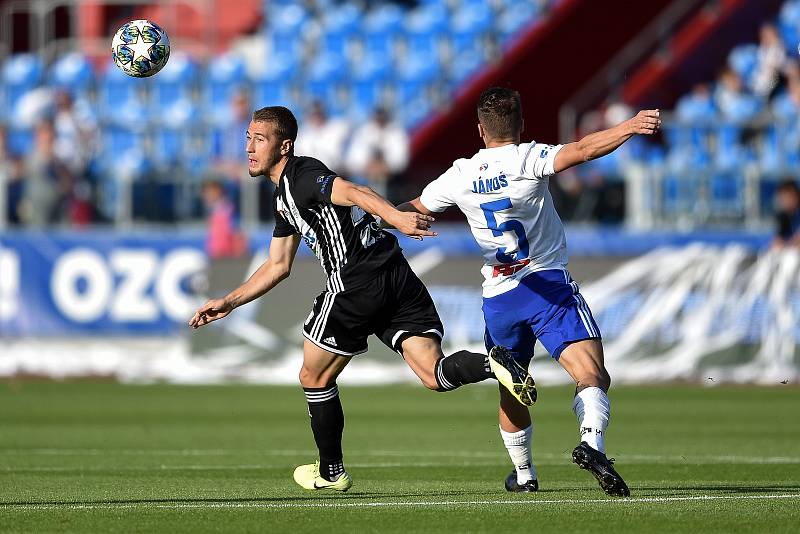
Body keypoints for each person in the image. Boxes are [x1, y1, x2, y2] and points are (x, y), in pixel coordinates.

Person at [188, 106, 532, 492]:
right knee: (434, 375)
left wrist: (398, 218)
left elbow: (355, 191)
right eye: (248, 138)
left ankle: (331, 472)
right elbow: (277, 265)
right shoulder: (283, 197)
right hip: (396, 276)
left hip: (355, 282)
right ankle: (494, 365)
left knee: (313, 375)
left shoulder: (302, 176)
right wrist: (230, 302)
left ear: (284, 146)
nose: (249, 147)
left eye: (259, 139)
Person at [397, 87, 661, 496]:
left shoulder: (460, 174)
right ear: (521, 126)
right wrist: (628, 126)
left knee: (510, 386)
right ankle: (592, 443)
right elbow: (585, 149)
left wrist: (372, 217)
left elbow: (412, 209)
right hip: (546, 285)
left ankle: (524, 475)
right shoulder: (528, 158)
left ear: (480, 130)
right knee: (590, 373)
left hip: (499, 298)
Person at [772, 179, 800, 248]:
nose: (784, 202)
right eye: (782, 198)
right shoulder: (783, 216)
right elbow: (778, 240)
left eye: (787, 197)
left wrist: (787, 244)